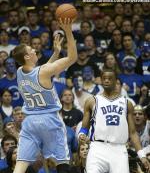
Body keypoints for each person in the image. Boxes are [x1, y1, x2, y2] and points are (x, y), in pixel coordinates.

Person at [11, 18, 77, 173]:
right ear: (27, 57)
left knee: (20, 166)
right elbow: (72, 58)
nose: (34, 50)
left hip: (30, 123)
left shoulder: (20, 72)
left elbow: (43, 70)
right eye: (31, 50)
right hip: (50, 120)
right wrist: (68, 30)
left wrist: (55, 53)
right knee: (62, 163)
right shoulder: (43, 72)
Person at [79, 68, 150, 173]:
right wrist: (81, 134)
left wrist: (142, 155)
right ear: (101, 80)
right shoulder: (91, 101)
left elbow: (133, 133)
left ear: (116, 81)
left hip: (119, 149)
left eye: (109, 78)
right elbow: (84, 128)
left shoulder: (127, 103)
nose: (106, 81)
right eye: (104, 78)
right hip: (97, 148)